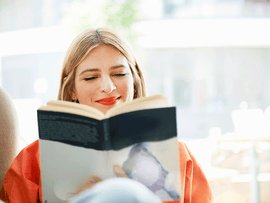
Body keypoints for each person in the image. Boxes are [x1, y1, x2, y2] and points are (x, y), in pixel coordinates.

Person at [0, 28, 214, 203]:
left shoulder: (177, 155)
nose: (108, 87)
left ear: (135, 81)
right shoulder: (33, 161)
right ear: (72, 89)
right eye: (91, 77)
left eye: (119, 74)